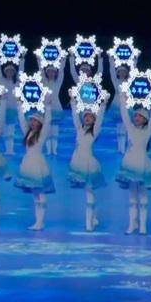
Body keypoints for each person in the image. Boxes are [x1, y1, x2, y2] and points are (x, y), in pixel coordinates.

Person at [116, 91, 151, 235]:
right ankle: (132, 224)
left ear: (145, 119)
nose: (136, 118)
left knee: (143, 196)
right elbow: (124, 115)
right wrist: (122, 99)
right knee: (132, 197)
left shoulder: (148, 130)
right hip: (130, 164)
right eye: (135, 116)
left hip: (143, 165)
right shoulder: (130, 128)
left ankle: (143, 225)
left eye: (140, 116)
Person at [68, 97, 107, 232]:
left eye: (90, 117)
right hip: (78, 163)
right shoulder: (79, 129)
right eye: (85, 116)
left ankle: (90, 221)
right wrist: (73, 102)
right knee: (87, 192)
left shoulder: (94, 132)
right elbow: (75, 117)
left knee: (89, 192)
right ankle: (91, 218)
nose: (87, 118)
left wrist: (103, 105)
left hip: (89, 164)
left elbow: (100, 119)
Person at [14, 105, 54, 231]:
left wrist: (48, 107)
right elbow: (22, 121)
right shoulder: (28, 133)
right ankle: (38, 221)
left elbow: (48, 122)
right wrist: (19, 107)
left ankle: (40, 221)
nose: (32, 122)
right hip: (28, 163)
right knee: (35, 195)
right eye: (31, 120)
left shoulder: (41, 135)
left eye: (35, 121)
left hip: (37, 164)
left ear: (40, 123)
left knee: (40, 193)